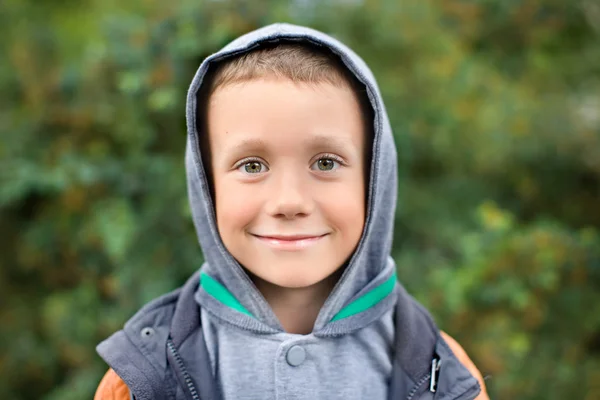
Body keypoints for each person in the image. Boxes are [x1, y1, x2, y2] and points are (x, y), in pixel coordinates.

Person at [95, 23, 489, 400]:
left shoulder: (446, 376)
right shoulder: (138, 379)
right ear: (206, 185)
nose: (289, 202)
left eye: (326, 163)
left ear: (374, 178)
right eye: (252, 166)